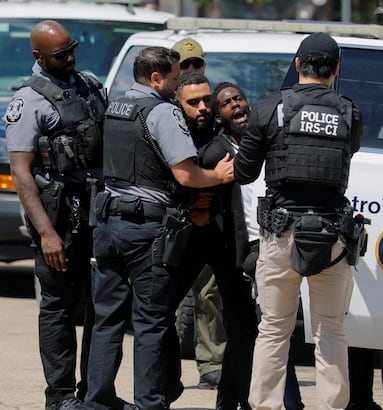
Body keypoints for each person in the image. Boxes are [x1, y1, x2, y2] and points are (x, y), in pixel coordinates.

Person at [85, 46, 234, 410]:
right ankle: (150, 404)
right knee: (151, 322)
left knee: (107, 319)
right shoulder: (162, 111)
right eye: (174, 77)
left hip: (107, 223)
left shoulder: (117, 106)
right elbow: (186, 174)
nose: (178, 82)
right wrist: (218, 175)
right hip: (145, 230)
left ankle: (97, 401)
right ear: (156, 79)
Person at [235, 32, 363, 409]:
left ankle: (265, 406)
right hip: (331, 236)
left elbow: (243, 172)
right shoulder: (349, 112)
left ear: (297, 65)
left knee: (274, 330)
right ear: (336, 69)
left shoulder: (269, 109)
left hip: (281, 234)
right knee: (331, 331)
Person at [4, 20, 106, 410]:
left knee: (103, 306)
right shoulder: (28, 100)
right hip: (60, 217)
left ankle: (96, 392)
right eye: (61, 54)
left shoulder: (90, 84)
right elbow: (21, 173)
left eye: (72, 48)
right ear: (39, 56)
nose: (71, 57)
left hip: (99, 211)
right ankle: (60, 396)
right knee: (59, 307)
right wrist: (46, 233)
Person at [198, 81, 258, 410]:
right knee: (242, 327)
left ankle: (226, 401)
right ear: (219, 116)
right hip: (230, 255)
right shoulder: (214, 153)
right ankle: (246, 401)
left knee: (243, 329)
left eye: (239, 98)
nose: (235, 104)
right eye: (226, 102)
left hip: (259, 249)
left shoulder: (258, 144)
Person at [174, 70, 227, 391]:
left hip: (213, 226)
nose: (203, 107)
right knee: (163, 300)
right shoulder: (169, 129)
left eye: (207, 100)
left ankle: (212, 363)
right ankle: (165, 372)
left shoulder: (219, 131)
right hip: (174, 226)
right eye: (193, 102)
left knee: (209, 294)